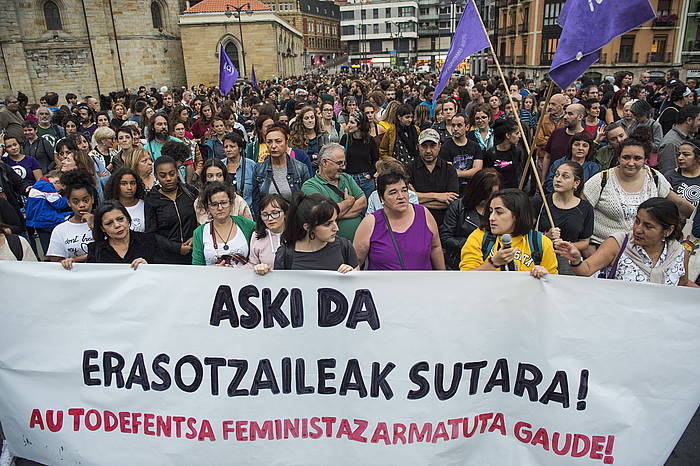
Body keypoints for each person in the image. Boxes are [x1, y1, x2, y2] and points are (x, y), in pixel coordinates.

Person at [556, 198, 693, 286]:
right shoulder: (618, 243)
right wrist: (575, 260)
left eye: (648, 226)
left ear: (667, 231)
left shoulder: (679, 254)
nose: (638, 229)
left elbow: (682, 286)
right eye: (637, 221)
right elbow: (586, 270)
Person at [583, 139, 694, 247]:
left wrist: (696, 216)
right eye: (626, 157)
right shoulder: (602, 180)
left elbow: (679, 203)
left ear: (646, 160)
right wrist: (587, 247)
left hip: (644, 250)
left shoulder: (654, 177)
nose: (631, 163)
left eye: (637, 158)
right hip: (604, 249)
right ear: (618, 158)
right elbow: (580, 212)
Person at [353, 169, 445, 270]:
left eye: (404, 190)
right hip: (383, 285)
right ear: (381, 198)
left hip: (422, 284)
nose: (401, 196)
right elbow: (356, 261)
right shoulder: (370, 223)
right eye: (393, 192)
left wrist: (443, 278)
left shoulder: (424, 214)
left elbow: (435, 248)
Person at [459, 188, 558, 278]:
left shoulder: (541, 242)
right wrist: (493, 263)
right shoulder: (479, 237)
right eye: (490, 211)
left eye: (499, 212)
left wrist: (544, 274)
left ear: (517, 215)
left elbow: (554, 284)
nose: (491, 218)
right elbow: (467, 279)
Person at [254, 192, 358, 274]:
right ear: (307, 227)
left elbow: (359, 285)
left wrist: (352, 274)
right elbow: (279, 287)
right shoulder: (285, 254)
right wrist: (263, 274)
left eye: (335, 221)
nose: (336, 228)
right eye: (327, 224)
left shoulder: (344, 246)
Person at [534, 161, 594, 275]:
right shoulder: (540, 201)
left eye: (565, 176)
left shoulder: (586, 208)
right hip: (540, 259)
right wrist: (546, 237)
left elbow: (585, 242)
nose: (558, 179)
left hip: (568, 262)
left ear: (576, 183)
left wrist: (567, 246)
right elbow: (526, 233)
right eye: (556, 175)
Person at [301, 142, 366, 241]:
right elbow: (323, 215)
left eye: (344, 163)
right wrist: (349, 202)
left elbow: (363, 202)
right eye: (339, 163)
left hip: (358, 243)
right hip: (331, 247)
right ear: (324, 162)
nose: (343, 167)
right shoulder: (310, 186)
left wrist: (335, 215)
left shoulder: (346, 178)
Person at [440, 168, 501, 270]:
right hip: (460, 261)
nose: (489, 199)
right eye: (486, 195)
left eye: (494, 194)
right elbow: (446, 238)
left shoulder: (501, 210)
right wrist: (473, 243)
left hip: (493, 263)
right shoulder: (458, 206)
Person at [144, 155, 198, 264]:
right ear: (156, 176)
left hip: (194, 252)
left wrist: (195, 237)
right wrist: (176, 247)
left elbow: (203, 218)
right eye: (163, 176)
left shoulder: (190, 192)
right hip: (166, 257)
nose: (168, 179)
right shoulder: (151, 199)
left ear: (177, 172)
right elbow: (152, 233)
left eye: (172, 174)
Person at [191, 182, 256, 267]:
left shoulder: (247, 225)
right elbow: (197, 267)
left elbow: (258, 256)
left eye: (224, 203)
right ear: (207, 207)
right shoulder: (199, 232)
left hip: (244, 279)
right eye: (214, 204)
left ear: (231, 203)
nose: (220, 208)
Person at [251, 123, 310, 214]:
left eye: (278, 141)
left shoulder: (300, 168)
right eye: (269, 142)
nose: (273, 146)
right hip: (268, 221)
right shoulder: (259, 169)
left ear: (287, 142)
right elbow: (256, 200)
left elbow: (306, 201)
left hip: (293, 221)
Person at [85, 201, 163, 268]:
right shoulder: (95, 250)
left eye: (120, 219)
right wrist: (73, 268)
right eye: (109, 223)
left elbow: (164, 272)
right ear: (102, 228)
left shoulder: (150, 241)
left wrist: (149, 267)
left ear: (128, 219)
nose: (117, 225)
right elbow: (90, 278)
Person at [408, 128, 460, 227]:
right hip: (416, 222)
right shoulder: (409, 168)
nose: (428, 151)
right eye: (424, 146)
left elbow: (452, 202)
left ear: (439, 146)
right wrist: (438, 196)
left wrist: (417, 200)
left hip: (444, 224)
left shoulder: (449, 170)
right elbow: (407, 198)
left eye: (432, 146)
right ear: (418, 147)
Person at [47, 170, 96, 268]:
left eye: (86, 200)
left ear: (92, 199)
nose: (82, 205)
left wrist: (94, 226)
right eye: (75, 202)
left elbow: (112, 249)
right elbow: (55, 262)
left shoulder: (105, 223)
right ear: (68, 202)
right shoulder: (60, 230)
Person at [195, 159, 252, 223]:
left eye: (219, 175)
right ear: (204, 178)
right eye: (210, 176)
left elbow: (250, 227)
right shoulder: (198, 203)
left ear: (224, 177)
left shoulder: (238, 201)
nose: (214, 179)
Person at [25, 169, 68, 255]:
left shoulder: (40, 184)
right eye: (60, 189)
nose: (59, 192)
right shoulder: (47, 186)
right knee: (51, 248)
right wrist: (69, 197)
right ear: (57, 182)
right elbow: (58, 204)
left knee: (47, 246)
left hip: (39, 220)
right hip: (46, 220)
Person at [438, 113, 483, 189]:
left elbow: (477, 171)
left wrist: (458, 173)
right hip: (453, 187)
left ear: (467, 127)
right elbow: (449, 172)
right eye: (453, 125)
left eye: (459, 125)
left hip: (472, 187)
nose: (455, 129)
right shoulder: (445, 147)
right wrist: (468, 173)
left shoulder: (475, 146)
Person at [541, 103, 586, 179]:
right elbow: (547, 157)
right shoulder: (556, 133)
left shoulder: (586, 137)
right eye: (565, 113)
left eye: (570, 114)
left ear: (580, 117)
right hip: (552, 179)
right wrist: (543, 179)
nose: (565, 117)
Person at [340, 111, 379, 198]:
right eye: (349, 121)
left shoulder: (370, 140)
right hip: (349, 178)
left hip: (366, 179)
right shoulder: (345, 138)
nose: (349, 125)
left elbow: (375, 159)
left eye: (352, 122)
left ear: (360, 125)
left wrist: (370, 174)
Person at [248, 194, 288, 268]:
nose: (270, 218)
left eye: (275, 213)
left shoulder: (296, 234)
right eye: (265, 215)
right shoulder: (256, 236)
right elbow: (252, 264)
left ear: (285, 213)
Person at [657, 105, 700, 174]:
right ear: (689, 120)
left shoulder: (688, 137)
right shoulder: (671, 143)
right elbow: (669, 174)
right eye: (699, 120)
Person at [484, 119, 525, 190]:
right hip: (496, 193)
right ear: (508, 135)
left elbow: (519, 172)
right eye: (517, 133)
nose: (520, 136)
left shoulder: (517, 152)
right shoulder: (490, 154)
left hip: (512, 192)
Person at [104, 168, 147, 232]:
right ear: (116, 185)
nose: (129, 187)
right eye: (124, 184)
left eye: (133, 183)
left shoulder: (146, 205)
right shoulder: (109, 207)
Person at [221, 132, 255, 208]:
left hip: (248, 210)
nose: (228, 150)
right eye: (226, 147)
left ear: (240, 149)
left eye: (232, 147)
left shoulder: (251, 165)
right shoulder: (220, 165)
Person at [664, 139, 700, 206]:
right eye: (678, 154)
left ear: (698, 158)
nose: (680, 158)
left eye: (686, 155)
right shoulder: (669, 177)